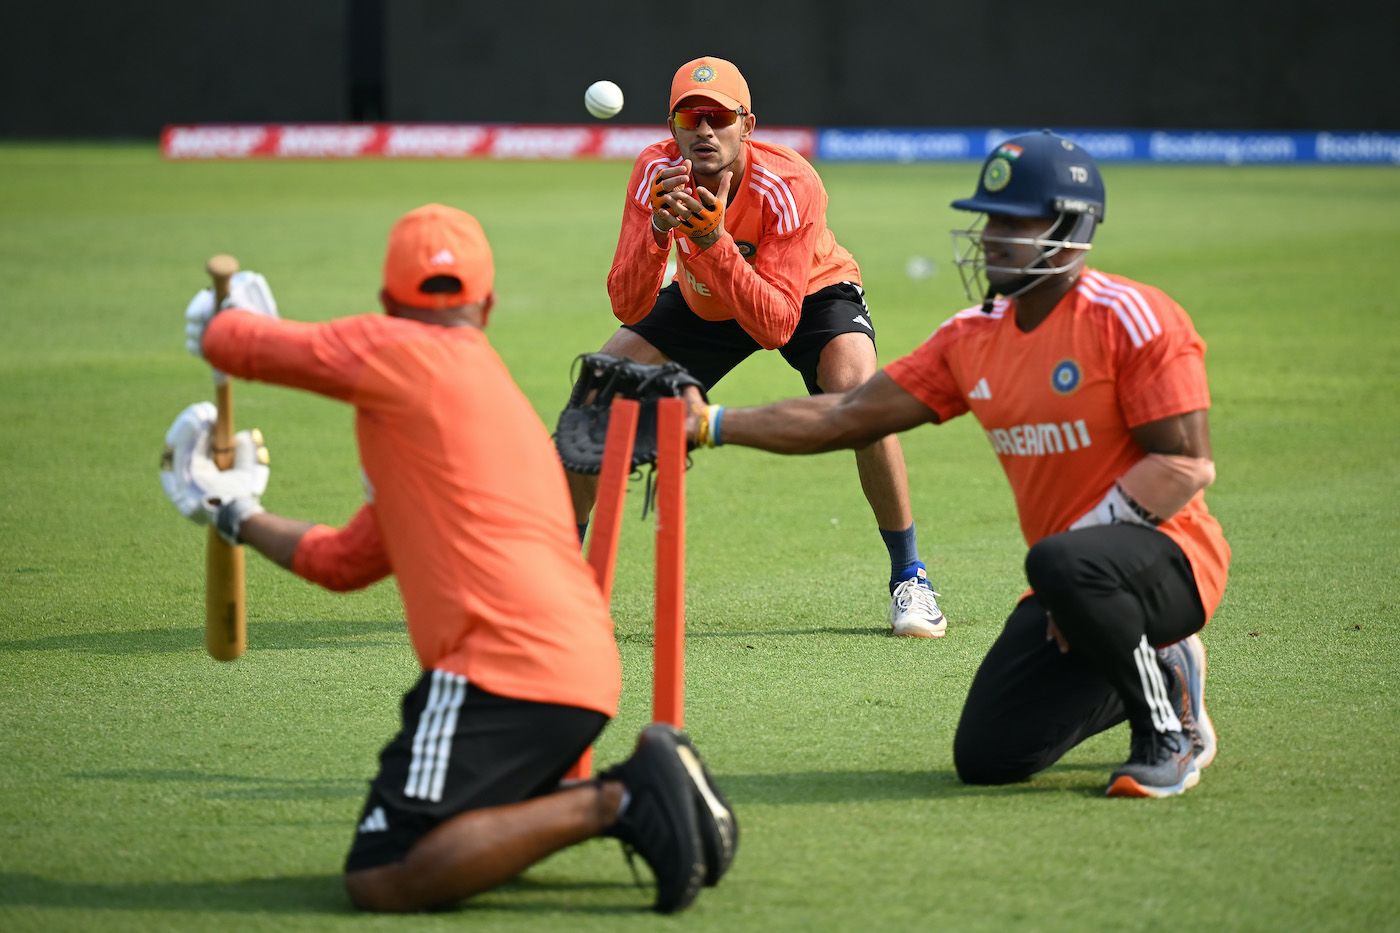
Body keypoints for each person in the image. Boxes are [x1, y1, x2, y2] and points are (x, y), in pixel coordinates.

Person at [159, 203, 736, 912]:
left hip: (502, 671)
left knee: (384, 870)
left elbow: (238, 346)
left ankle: (621, 797)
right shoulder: (479, 405)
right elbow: (347, 560)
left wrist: (229, 320)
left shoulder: (396, 347)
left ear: (387, 303)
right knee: (462, 838)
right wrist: (234, 513)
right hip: (577, 671)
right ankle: (629, 794)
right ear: (487, 305)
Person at [684, 131, 1230, 798]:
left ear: (1071, 228)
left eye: (1015, 222)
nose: (992, 236)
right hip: (1070, 582)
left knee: (1060, 561)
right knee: (989, 755)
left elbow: (1184, 463)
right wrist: (711, 422)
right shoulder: (972, 337)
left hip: (1171, 559)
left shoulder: (1133, 317)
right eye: (989, 219)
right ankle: (1149, 664)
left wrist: (1078, 556)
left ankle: (1166, 733)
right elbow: (846, 415)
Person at [565, 55, 946, 638]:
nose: (705, 131)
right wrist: (660, 232)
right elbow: (628, 303)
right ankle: (561, 582)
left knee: (862, 401)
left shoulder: (790, 182)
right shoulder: (655, 171)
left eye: (720, 118)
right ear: (672, 127)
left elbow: (775, 324)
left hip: (807, 294)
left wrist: (712, 240)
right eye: (691, 118)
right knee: (596, 390)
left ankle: (910, 577)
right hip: (704, 296)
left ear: (748, 125)